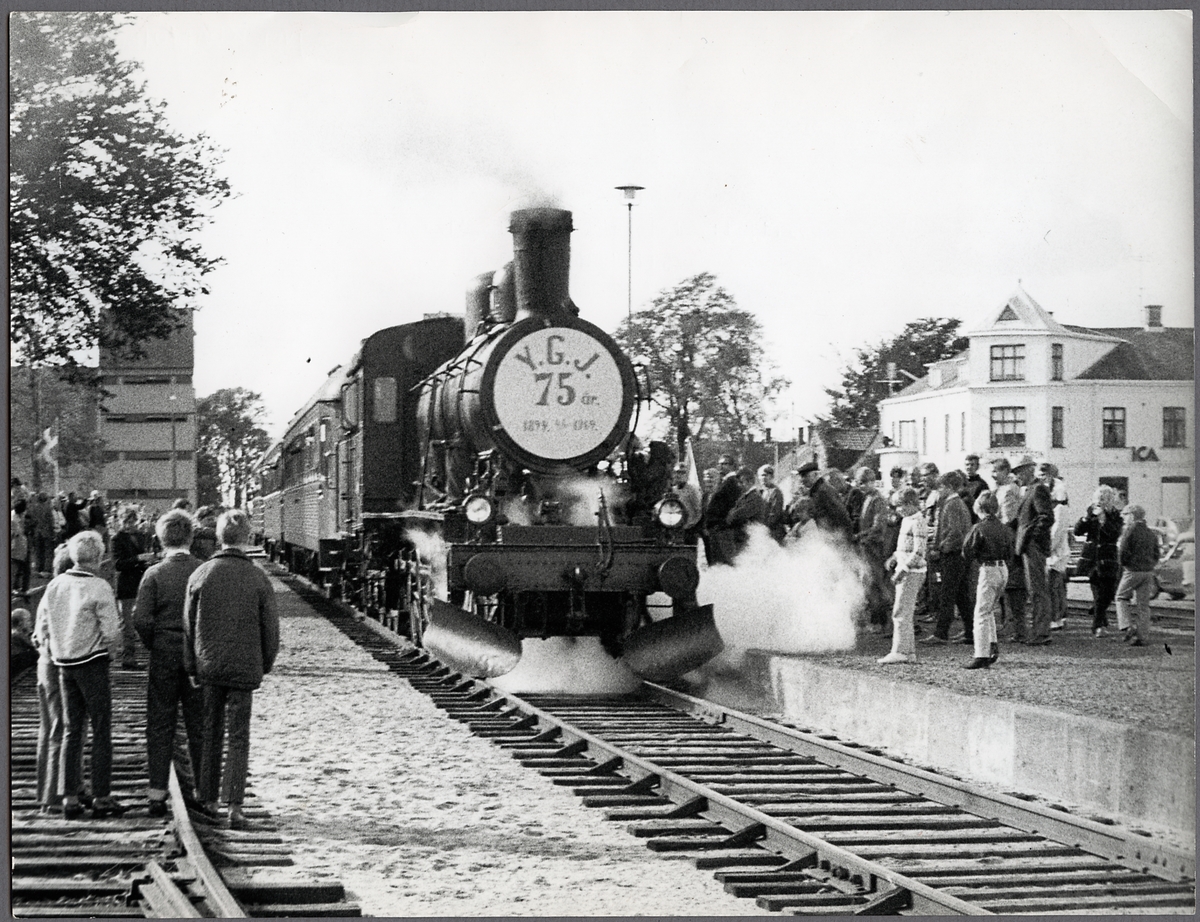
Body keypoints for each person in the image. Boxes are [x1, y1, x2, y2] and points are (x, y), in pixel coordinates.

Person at [184, 509, 279, 830]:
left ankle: (207, 796)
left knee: (210, 730)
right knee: (239, 736)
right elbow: (270, 630)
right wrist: (263, 664)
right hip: (243, 667)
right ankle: (235, 806)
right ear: (248, 538)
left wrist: (192, 665)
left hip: (209, 666)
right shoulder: (258, 578)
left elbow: (188, 626)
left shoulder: (201, 574)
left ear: (218, 538)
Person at [34, 530, 126, 819]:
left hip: (63, 666)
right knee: (101, 729)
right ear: (98, 557)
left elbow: (44, 626)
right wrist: (114, 653)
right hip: (93, 663)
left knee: (72, 731)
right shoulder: (99, 587)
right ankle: (101, 796)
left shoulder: (55, 585)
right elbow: (111, 631)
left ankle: (70, 797)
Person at [133, 510, 206, 817]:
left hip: (164, 653)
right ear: (190, 537)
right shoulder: (204, 571)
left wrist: (155, 643)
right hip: (196, 657)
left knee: (160, 722)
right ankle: (204, 790)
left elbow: (141, 619)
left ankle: (156, 793)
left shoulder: (154, 574)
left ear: (161, 539)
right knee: (198, 724)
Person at [920, 470, 974, 646]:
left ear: (950, 487)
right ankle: (970, 632)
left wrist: (940, 548)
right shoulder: (957, 504)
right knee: (961, 595)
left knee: (947, 594)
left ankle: (941, 633)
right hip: (960, 555)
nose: (939, 491)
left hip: (953, 554)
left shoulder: (951, 505)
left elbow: (954, 532)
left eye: (942, 487)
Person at [960, 492, 1013, 669]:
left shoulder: (979, 528)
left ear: (979, 508)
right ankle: (992, 646)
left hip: (988, 568)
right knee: (990, 608)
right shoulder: (1004, 528)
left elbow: (967, 550)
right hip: (1003, 568)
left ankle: (981, 653)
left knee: (981, 612)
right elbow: (1010, 552)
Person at [878, 488, 928, 665]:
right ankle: (908, 651)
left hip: (912, 572)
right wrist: (894, 557)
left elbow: (919, 552)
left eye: (899, 506)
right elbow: (904, 548)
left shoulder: (917, 521)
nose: (897, 510)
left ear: (909, 504)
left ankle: (899, 651)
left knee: (901, 612)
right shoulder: (907, 520)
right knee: (904, 612)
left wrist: (903, 569)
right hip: (906, 569)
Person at [1012, 456, 1054, 645]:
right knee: (1034, 590)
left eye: (1019, 471)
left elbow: (1046, 517)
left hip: (1033, 546)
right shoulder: (1031, 490)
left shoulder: (1037, 489)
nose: (1017, 476)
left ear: (1029, 470)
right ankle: (1038, 631)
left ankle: (1041, 632)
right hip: (1029, 546)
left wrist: (1032, 538)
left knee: (1037, 590)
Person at [1074, 486, 1124, 637]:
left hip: (1108, 559)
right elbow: (1078, 531)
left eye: (1103, 499)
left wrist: (1103, 520)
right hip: (1092, 559)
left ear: (1109, 501)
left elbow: (1114, 533)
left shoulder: (1116, 516)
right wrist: (1087, 518)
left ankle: (1100, 619)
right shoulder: (1091, 513)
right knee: (1098, 594)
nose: (1100, 502)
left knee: (1108, 594)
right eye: (1098, 498)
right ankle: (1097, 626)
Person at [111, 507, 155, 670]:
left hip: (141, 583)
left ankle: (144, 655)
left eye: (132, 521)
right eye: (126, 522)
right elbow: (117, 564)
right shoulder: (117, 539)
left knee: (144, 622)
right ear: (120, 522)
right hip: (126, 586)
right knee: (127, 625)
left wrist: (148, 561)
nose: (129, 525)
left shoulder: (142, 537)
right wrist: (137, 559)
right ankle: (128, 658)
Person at [1114, 505, 1160, 647]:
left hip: (1132, 570)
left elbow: (1123, 551)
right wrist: (1150, 565)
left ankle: (1128, 626)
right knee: (1143, 605)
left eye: (1125, 514)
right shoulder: (1150, 532)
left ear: (1132, 515)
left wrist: (1124, 564)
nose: (1123, 517)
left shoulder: (1130, 530)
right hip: (1147, 572)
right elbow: (1156, 553)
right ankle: (1142, 636)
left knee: (1120, 597)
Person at [854, 468, 892, 631]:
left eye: (864, 483)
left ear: (872, 482)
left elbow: (878, 527)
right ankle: (877, 620)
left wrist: (861, 536)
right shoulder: (868, 498)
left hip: (875, 547)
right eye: (859, 483)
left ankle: (882, 621)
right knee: (869, 584)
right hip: (867, 546)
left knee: (876, 583)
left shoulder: (878, 500)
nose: (861, 486)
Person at [1039, 463, 1071, 631]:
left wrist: (1046, 548)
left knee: (1053, 586)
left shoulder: (1059, 506)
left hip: (1055, 552)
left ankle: (1056, 617)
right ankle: (1059, 616)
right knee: (1055, 586)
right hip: (1053, 551)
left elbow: (1057, 531)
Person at [701, 455, 741, 565]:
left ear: (733, 466)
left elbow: (732, 506)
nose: (721, 466)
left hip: (723, 530)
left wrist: (722, 523)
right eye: (720, 464)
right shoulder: (725, 481)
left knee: (723, 562)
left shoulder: (732, 482)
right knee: (716, 560)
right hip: (717, 529)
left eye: (725, 464)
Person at [797, 461, 852, 540]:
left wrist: (841, 537)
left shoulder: (824, 491)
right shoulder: (818, 491)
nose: (802, 479)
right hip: (829, 537)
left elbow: (841, 515)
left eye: (805, 476)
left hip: (835, 538)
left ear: (815, 474)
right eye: (801, 476)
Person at [29, 492, 56, 577]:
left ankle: (38, 568)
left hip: (37, 532)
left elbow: (32, 521)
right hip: (46, 532)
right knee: (47, 551)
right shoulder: (48, 508)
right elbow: (51, 521)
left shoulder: (34, 508)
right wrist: (53, 532)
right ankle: (46, 569)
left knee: (38, 551)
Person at [758, 465, 786, 544]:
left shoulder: (775, 492)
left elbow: (774, 515)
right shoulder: (762, 492)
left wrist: (763, 527)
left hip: (774, 532)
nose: (763, 478)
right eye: (761, 475)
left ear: (771, 477)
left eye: (766, 475)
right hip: (766, 531)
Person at [960, 454, 990, 523]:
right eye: (967, 465)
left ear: (977, 467)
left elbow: (984, 506)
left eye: (972, 465)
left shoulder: (982, 485)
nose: (969, 467)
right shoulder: (960, 483)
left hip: (973, 520)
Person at [12, 608, 38, 680]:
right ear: (21, 623)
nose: (31, 623)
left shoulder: (16, 634)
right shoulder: (17, 635)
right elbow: (36, 652)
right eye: (28, 620)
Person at [12, 498, 31, 597]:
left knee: (25, 569)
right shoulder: (12, 520)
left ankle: (23, 588)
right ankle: (14, 588)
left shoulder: (21, 516)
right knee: (15, 570)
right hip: (16, 548)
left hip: (23, 545)